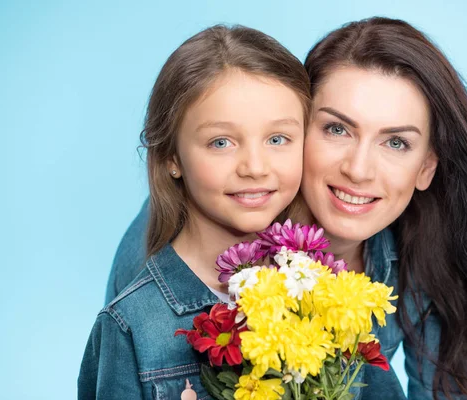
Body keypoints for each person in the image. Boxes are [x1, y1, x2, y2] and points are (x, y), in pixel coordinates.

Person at [103, 17, 467, 399]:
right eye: (337, 130)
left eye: (396, 142)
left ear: (426, 168)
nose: (359, 169)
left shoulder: (420, 249)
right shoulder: (175, 247)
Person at [78, 24, 311, 399]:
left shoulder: (318, 291)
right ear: (172, 157)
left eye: (277, 139)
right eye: (221, 142)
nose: (255, 166)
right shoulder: (131, 325)